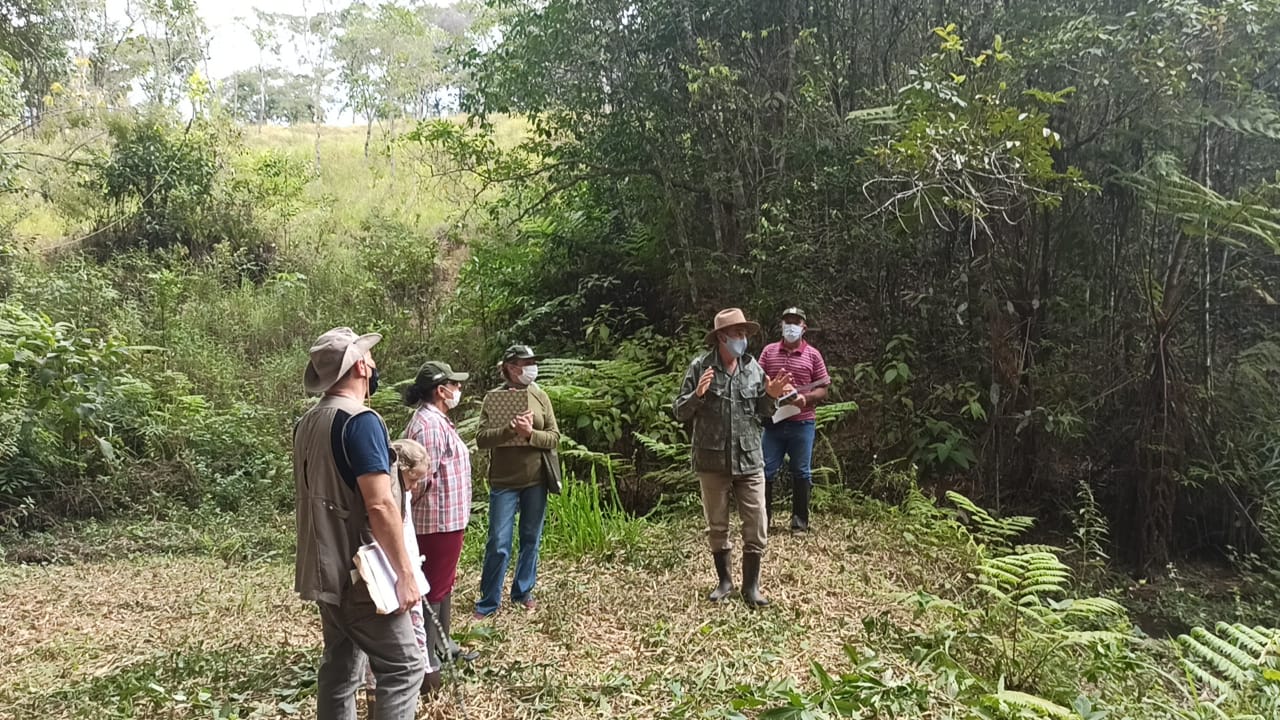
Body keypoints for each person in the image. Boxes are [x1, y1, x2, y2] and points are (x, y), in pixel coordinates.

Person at [293, 327, 426, 720]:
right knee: (403, 667)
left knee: (341, 666)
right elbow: (381, 505)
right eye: (367, 355)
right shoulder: (361, 422)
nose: (372, 361)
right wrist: (405, 573)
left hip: (323, 569)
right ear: (360, 366)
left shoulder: (308, 422)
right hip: (363, 574)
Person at [674, 309, 793, 607]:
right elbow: (679, 412)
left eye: (744, 334)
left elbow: (765, 413)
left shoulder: (753, 369)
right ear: (721, 338)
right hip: (712, 461)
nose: (743, 339)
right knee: (717, 525)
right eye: (737, 334)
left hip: (750, 458)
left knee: (756, 522)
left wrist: (771, 396)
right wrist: (697, 395)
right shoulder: (700, 367)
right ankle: (724, 581)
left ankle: (751, 587)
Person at [473, 344, 560, 619]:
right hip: (504, 481)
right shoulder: (493, 398)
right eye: (526, 362)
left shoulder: (540, 395)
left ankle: (522, 592)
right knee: (498, 541)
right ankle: (488, 600)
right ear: (511, 368)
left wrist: (529, 433)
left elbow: (554, 437)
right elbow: (482, 438)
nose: (532, 367)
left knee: (530, 538)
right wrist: (508, 429)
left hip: (535, 479)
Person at [401, 361, 479, 664]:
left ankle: (444, 646)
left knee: (442, 583)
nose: (458, 389)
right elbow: (420, 478)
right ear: (440, 390)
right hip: (435, 520)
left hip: (447, 518)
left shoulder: (436, 421)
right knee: (432, 586)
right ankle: (428, 657)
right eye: (454, 385)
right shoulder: (428, 426)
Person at [359, 438, 440, 714]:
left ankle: (421, 686)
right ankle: (377, 699)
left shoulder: (402, 493)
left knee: (415, 628)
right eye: (414, 478)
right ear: (399, 469)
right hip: (388, 577)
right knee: (389, 644)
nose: (416, 486)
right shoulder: (386, 494)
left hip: (408, 572)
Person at [758, 307, 831, 533]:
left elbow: (824, 388)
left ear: (803, 327)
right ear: (781, 325)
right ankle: (763, 521)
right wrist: (770, 390)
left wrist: (805, 399)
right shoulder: (769, 352)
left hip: (802, 422)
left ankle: (800, 523)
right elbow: (757, 380)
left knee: (801, 471)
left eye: (795, 322)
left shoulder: (813, 355)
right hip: (773, 423)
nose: (790, 326)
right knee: (764, 470)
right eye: (787, 322)